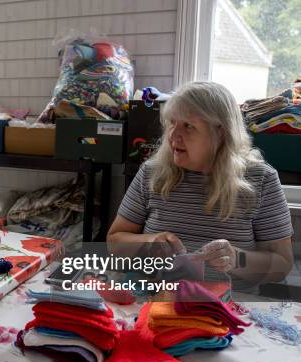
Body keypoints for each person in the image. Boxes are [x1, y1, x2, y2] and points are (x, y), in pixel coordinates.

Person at [108, 81, 293, 290]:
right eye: (172, 123)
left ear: (220, 132)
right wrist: (149, 243)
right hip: (155, 304)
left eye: (188, 126)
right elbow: (114, 242)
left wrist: (236, 259)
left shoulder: (261, 180)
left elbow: (282, 265)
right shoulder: (152, 172)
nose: (173, 135)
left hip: (226, 312)